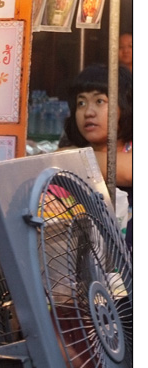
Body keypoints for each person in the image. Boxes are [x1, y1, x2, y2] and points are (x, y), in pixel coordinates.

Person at [62, 63, 133, 251]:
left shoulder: (69, 158)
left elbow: (130, 171)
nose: (88, 112)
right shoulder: (69, 154)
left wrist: (69, 159)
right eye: (81, 103)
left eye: (99, 101)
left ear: (125, 106)